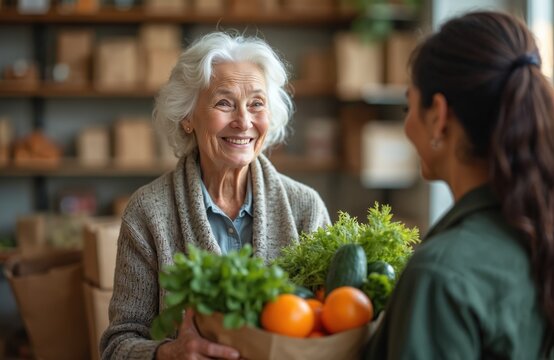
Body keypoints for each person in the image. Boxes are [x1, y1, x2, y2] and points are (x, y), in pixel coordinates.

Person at [100, 31, 331, 360]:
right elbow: (117, 345)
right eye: (224, 103)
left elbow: (328, 326)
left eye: (256, 104)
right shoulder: (148, 211)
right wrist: (168, 354)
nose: (243, 121)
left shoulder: (305, 207)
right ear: (188, 118)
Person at [365, 11, 554, 359]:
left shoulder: (440, 275)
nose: (407, 125)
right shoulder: (539, 231)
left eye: (409, 105)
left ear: (438, 115)